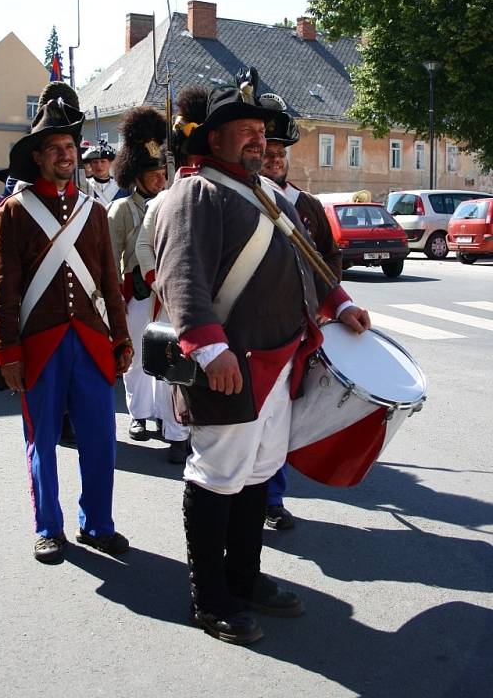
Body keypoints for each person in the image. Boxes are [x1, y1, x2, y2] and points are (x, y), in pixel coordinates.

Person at [155, 81, 370, 645]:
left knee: (254, 476)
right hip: (229, 366)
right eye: (245, 131)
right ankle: (210, 597)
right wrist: (210, 349)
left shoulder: (267, 195)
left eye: (261, 132)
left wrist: (340, 305)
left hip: (277, 366)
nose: (257, 140)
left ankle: (244, 579)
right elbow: (182, 279)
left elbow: (306, 265)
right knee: (218, 476)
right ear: (215, 138)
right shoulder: (195, 194)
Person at [0, 98, 133, 564]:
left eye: (68, 145)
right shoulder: (13, 212)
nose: (64, 154)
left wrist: (121, 336)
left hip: (91, 342)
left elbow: (109, 281)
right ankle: (49, 526)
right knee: (43, 441)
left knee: (100, 441)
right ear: (37, 157)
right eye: (53, 147)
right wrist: (6, 350)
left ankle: (97, 524)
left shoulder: (93, 212)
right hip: (39, 344)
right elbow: (4, 287)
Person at [260, 109, 342, 531]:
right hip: (257, 331)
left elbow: (331, 259)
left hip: (301, 327)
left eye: (279, 152)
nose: (274, 158)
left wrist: (330, 303)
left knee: (286, 415)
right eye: (267, 151)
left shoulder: (307, 205)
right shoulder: (243, 198)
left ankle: (273, 498)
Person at [133, 85, 208, 463]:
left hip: (214, 298)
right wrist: (154, 277)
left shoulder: (219, 197)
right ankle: (178, 434)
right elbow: (143, 246)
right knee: (176, 366)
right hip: (171, 297)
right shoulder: (162, 201)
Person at [107, 107, 167, 442]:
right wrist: (115, 297)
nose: (160, 178)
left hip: (164, 290)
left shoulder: (170, 203)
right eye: (153, 173)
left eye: (162, 171)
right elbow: (112, 257)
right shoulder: (121, 209)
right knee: (138, 357)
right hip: (135, 293)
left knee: (166, 355)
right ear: (136, 175)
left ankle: (161, 412)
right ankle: (138, 415)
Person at [82, 141, 129, 206]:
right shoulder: (85, 186)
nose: (99, 165)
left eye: (103, 161)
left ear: (110, 163)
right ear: (90, 164)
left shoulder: (121, 187)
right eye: (95, 162)